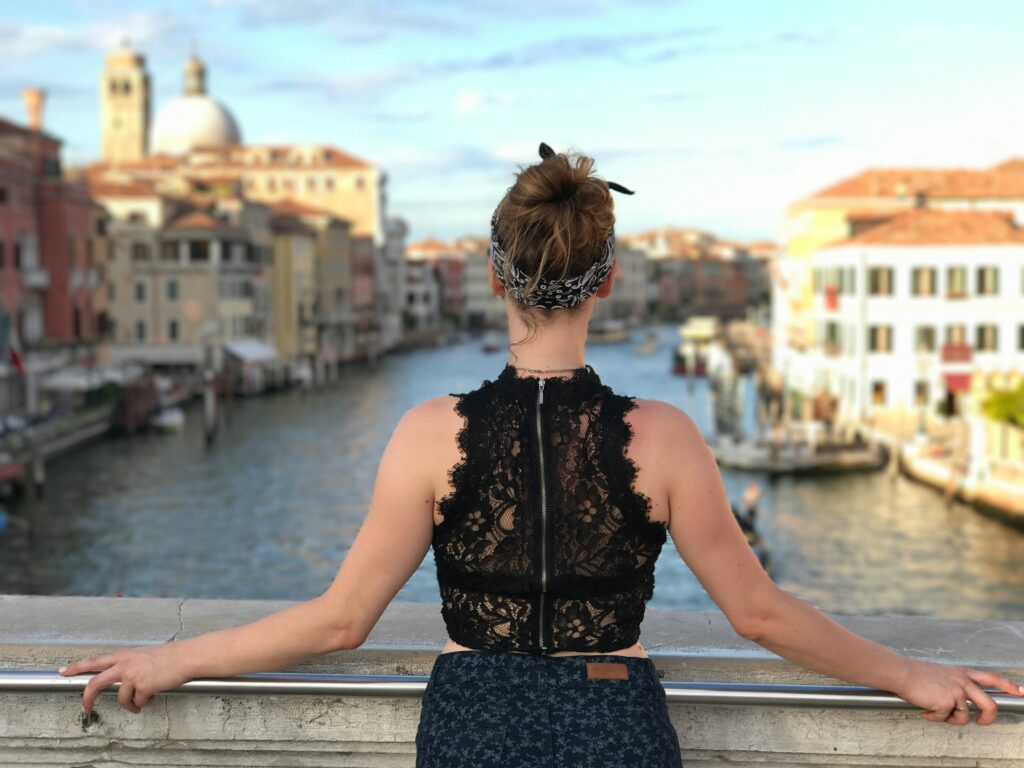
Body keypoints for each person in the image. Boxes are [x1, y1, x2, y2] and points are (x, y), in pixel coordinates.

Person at [59, 144, 1023, 766]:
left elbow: (339, 621)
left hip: (472, 725)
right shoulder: (668, 437)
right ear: (604, 279)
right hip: (617, 726)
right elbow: (761, 613)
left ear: (493, 279)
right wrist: (909, 673)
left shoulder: (427, 434)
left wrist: (169, 658)